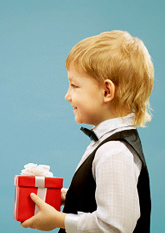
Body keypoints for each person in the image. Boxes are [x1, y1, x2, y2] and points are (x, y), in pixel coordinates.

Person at [21, 30, 153, 232]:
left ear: (107, 92)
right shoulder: (105, 144)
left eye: (74, 85)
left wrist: (59, 220)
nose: (67, 95)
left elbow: (115, 226)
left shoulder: (114, 152)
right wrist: (66, 197)